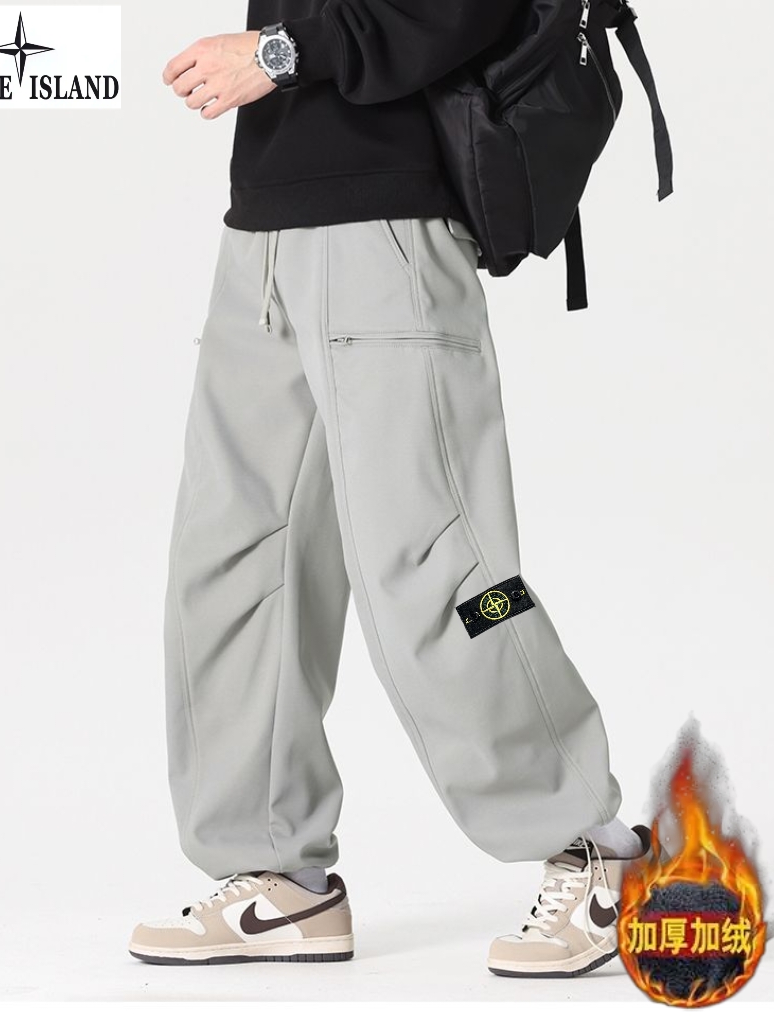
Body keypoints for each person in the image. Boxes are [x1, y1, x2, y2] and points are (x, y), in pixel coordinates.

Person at [128, 1, 652, 977]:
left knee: (437, 569)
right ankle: (276, 872)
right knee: (235, 566)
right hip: (265, 231)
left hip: (386, 227)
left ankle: (596, 848)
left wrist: (279, 52)